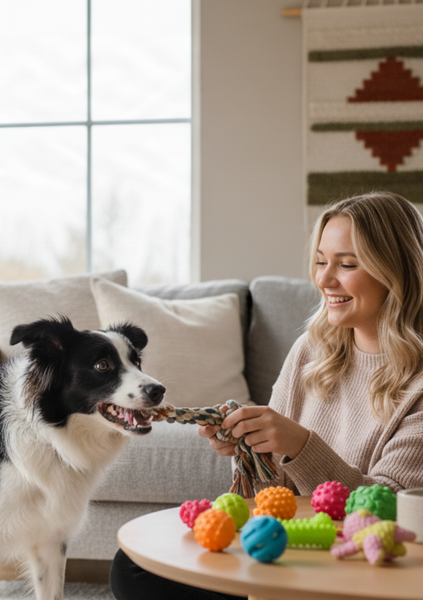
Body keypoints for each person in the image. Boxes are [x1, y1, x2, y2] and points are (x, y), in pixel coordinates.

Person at [109, 191, 423, 600]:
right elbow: (271, 495)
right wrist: (251, 446)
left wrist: (299, 444)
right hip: (289, 547)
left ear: (396, 271)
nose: (325, 280)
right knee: (133, 569)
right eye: (321, 261)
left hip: (354, 565)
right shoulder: (313, 350)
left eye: (346, 264)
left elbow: (390, 514)